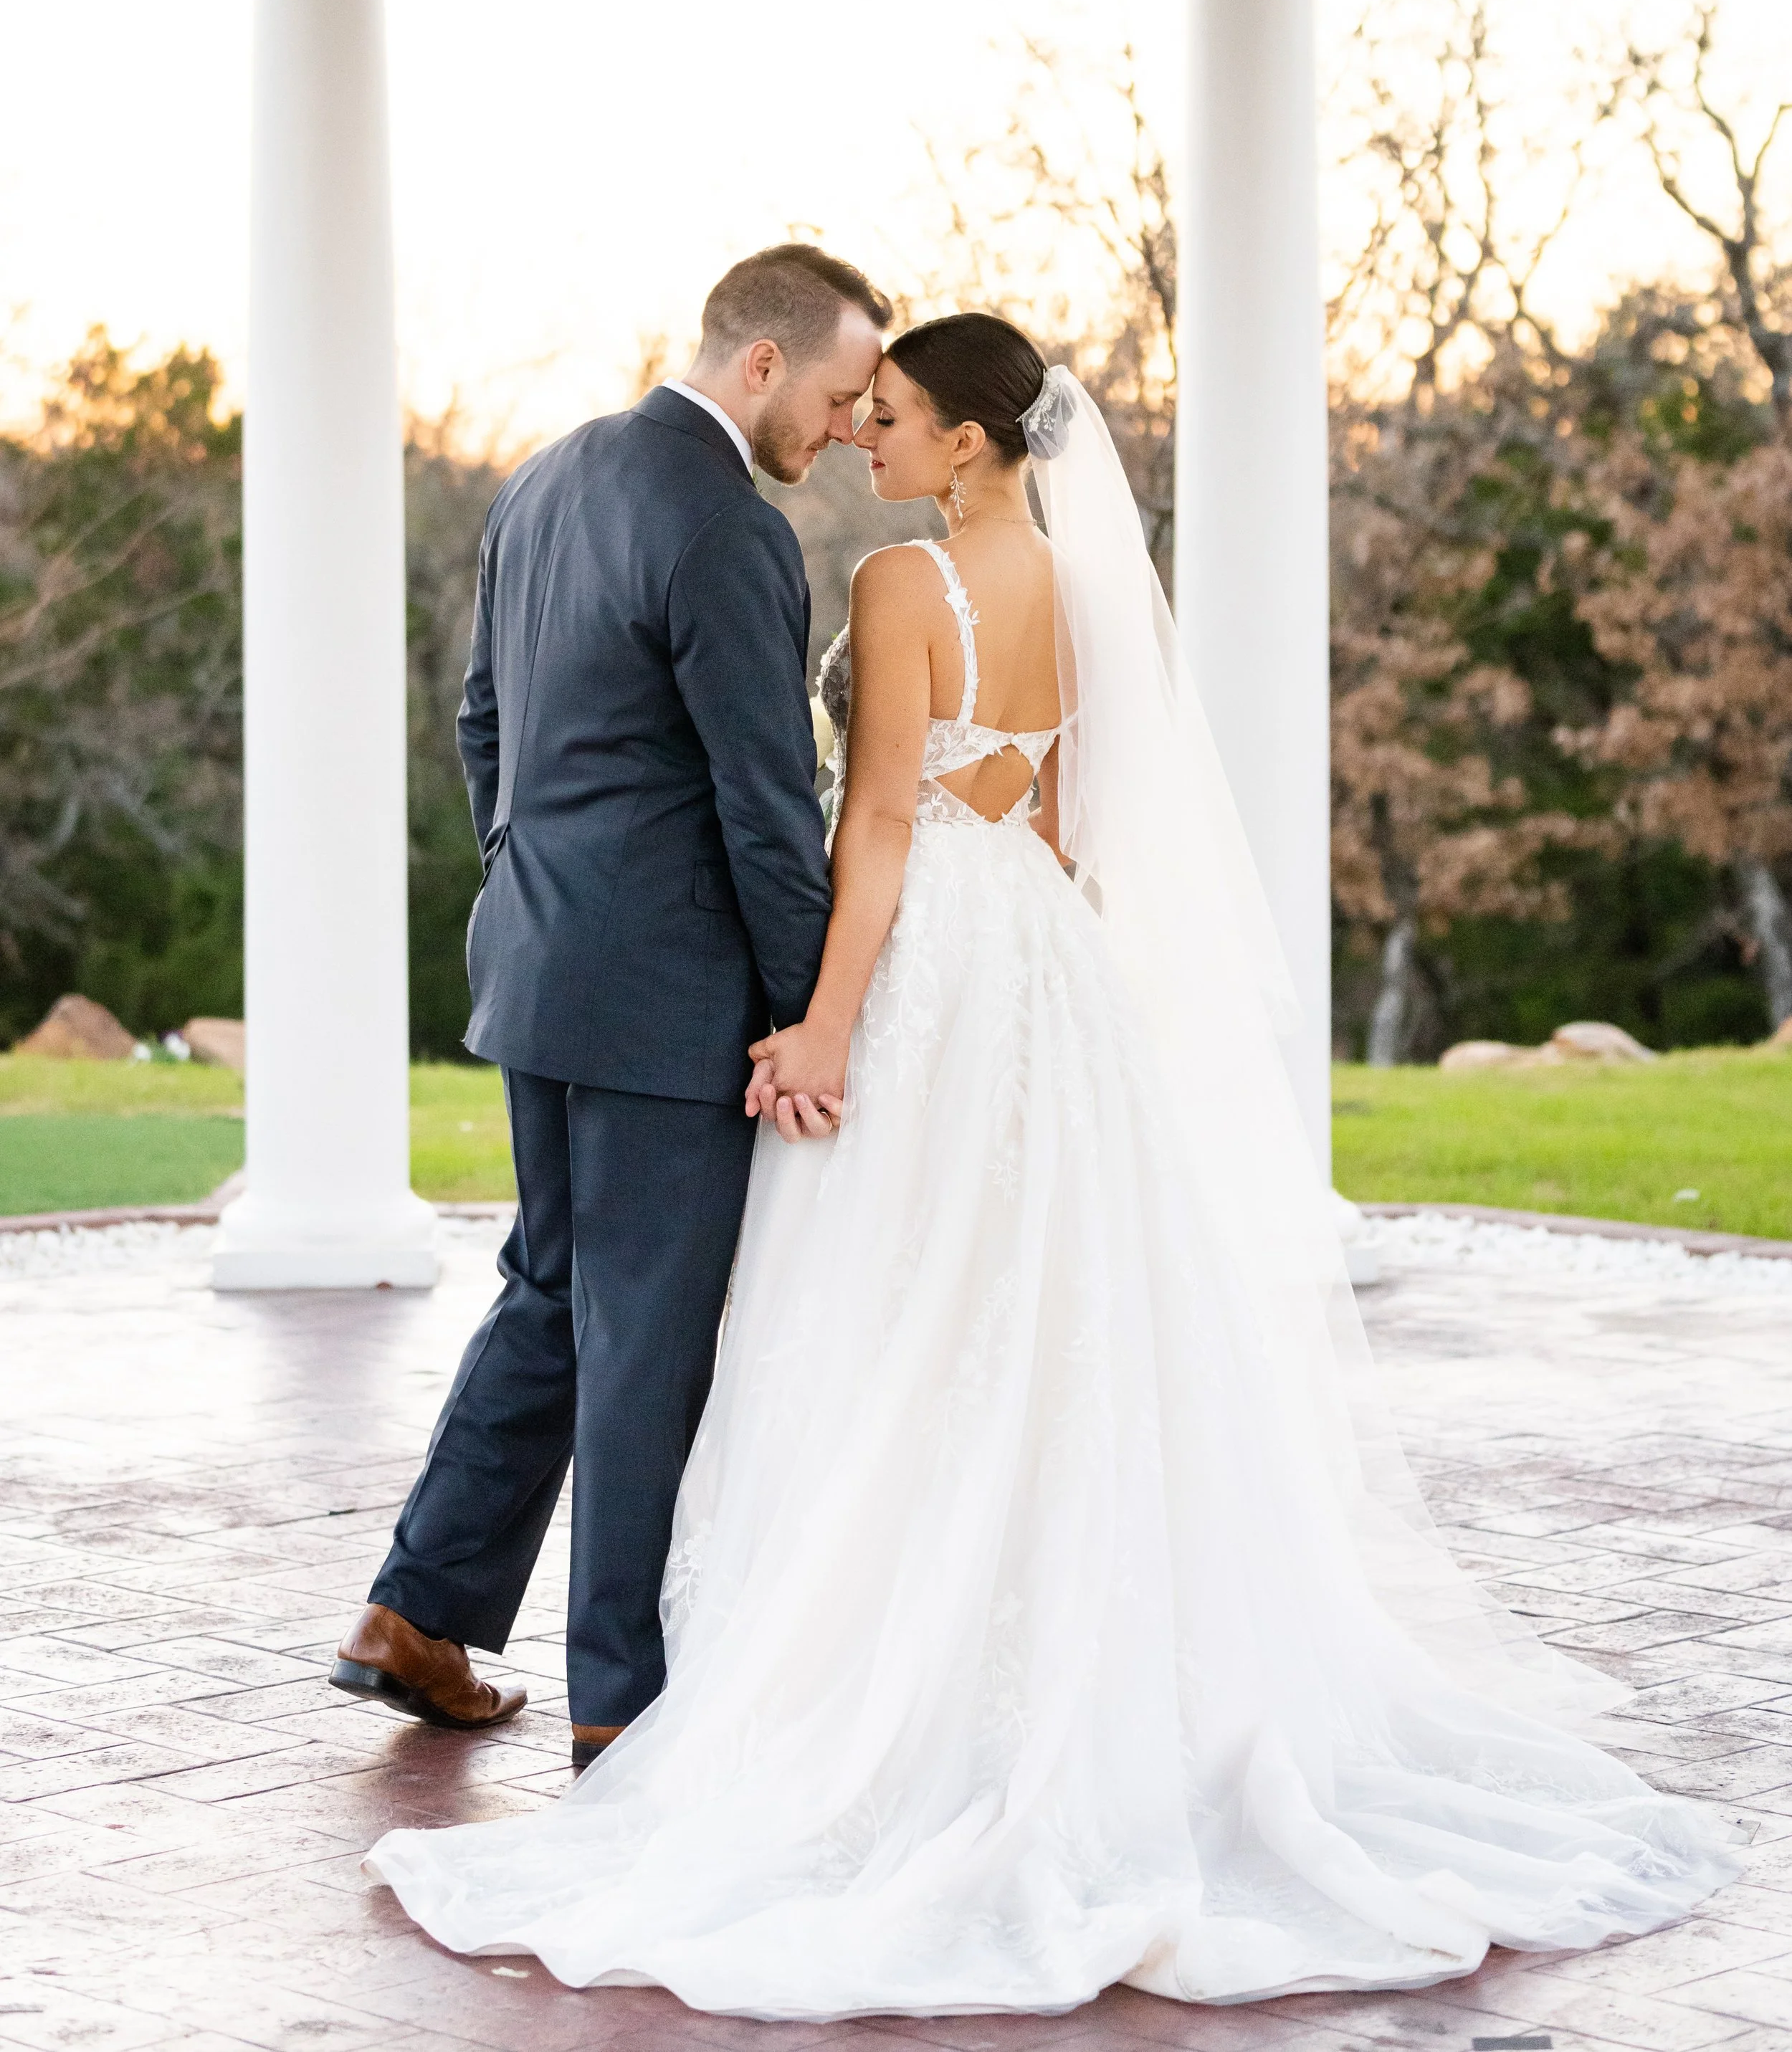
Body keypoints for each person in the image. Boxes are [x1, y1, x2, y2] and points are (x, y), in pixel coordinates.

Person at [368, 312, 1743, 2015]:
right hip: (1040, 974)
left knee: (850, 1314)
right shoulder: (1094, 597)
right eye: (854, 405)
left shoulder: (881, 586)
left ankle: (700, 1691)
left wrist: (821, 1024)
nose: (867, 436)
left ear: (967, 445)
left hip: (910, 965)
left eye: (894, 419)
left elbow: (869, 830)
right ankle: (505, 1617)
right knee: (1047, 1315)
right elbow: (1073, 828)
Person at [331, 247, 889, 1763]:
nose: (845, 428)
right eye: (840, 394)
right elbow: (765, 813)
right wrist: (801, 1015)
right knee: (642, 1329)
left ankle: (416, 1615)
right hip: (664, 1000)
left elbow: (479, 721)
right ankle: (618, 1706)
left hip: (537, 964)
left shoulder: (547, 475)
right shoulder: (726, 526)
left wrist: (537, 886)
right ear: (759, 363)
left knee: (549, 1291)